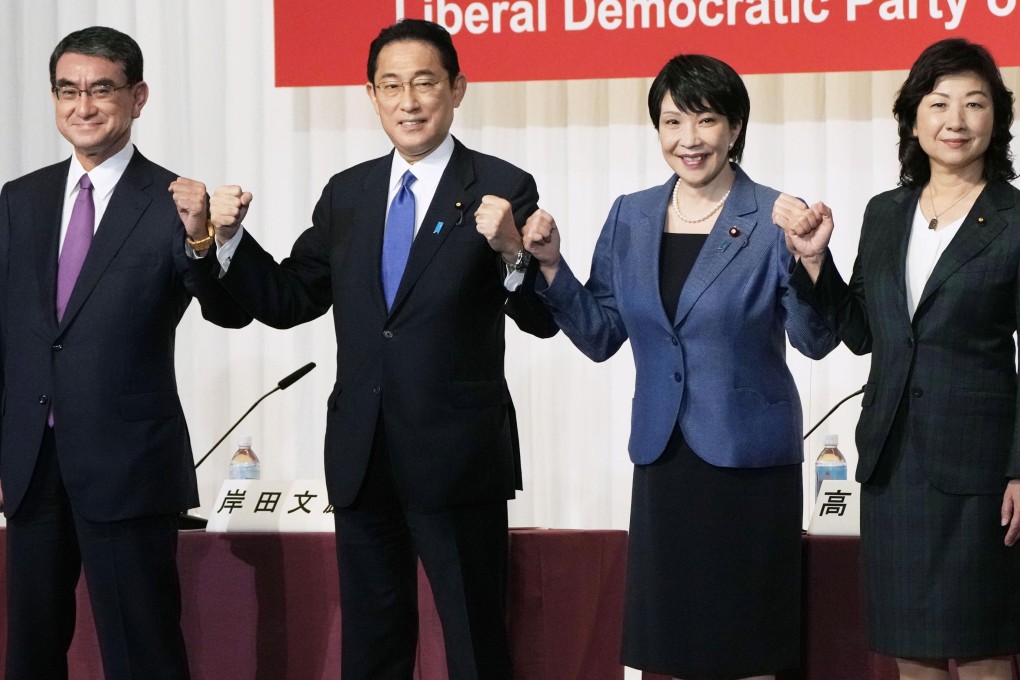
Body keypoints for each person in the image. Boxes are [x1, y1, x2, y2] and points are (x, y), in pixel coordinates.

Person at [205, 18, 557, 680]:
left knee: (475, 644)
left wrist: (514, 251)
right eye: (391, 86)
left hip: (457, 457)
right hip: (362, 454)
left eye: (425, 82)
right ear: (371, 96)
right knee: (372, 646)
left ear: (457, 88)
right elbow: (289, 299)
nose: (409, 101)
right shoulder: (349, 193)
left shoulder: (502, 186)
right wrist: (227, 240)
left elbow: (542, 320)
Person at [522, 54, 838, 679]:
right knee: (671, 647)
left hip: (748, 463)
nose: (688, 139)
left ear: (736, 127)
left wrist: (812, 263)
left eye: (706, 120)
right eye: (672, 122)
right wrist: (553, 267)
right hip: (664, 459)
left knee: (746, 647)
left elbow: (816, 340)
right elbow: (601, 335)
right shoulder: (630, 215)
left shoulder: (776, 214)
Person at [0, 25, 251, 680]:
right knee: (28, 655)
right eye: (68, 91)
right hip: (31, 467)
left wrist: (204, 239)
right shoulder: (20, 199)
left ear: (137, 98)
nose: (82, 106)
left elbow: (227, 309)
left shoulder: (175, 202)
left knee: (143, 656)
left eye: (101, 90)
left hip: (129, 466)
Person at [775, 37, 1020, 680]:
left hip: (982, 471)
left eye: (975, 103)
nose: (956, 120)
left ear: (997, 117)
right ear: (913, 119)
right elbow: (863, 332)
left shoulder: (1014, 218)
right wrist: (815, 262)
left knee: (985, 652)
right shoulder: (885, 213)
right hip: (894, 464)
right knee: (911, 654)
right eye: (938, 103)